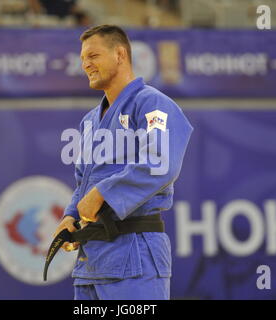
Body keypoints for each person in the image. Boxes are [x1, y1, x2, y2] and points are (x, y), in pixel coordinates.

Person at [53, 24, 193, 300]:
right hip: (91, 261)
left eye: (93, 56)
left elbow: (160, 163)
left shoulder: (152, 104)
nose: (86, 65)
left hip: (136, 252)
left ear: (119, 54)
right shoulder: (90, 121)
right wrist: (70, 215)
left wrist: (103, 192)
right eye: (82, 59)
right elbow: (84, 181)